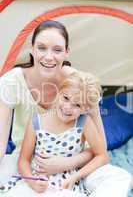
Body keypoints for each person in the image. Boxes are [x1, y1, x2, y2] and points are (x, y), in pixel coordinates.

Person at [0, 20, 131, 196]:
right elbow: (2, 145)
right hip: (31, 159)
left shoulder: (78, 82)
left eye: (57, 50)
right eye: (41, 48)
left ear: (66, 53)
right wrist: (30, 176)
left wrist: (67, 164)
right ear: (31, 48)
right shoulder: (12, 81)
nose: (48, 56)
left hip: (78, 158)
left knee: (119, 177)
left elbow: (101, 147)